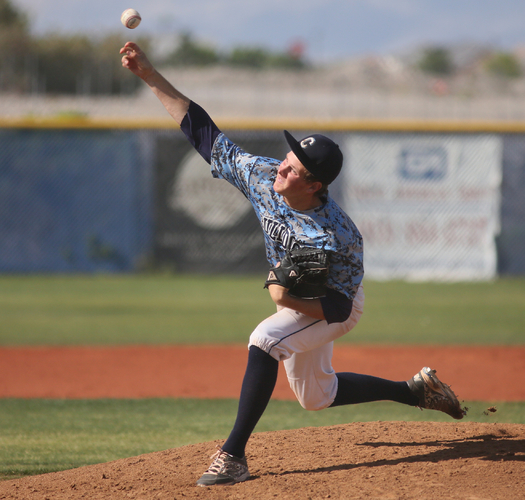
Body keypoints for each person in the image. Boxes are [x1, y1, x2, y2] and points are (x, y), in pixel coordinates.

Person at [119, 41, 466, 487]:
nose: (283, 167)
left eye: (295, 167)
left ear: (315, 184)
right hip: (300, 299)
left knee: (264, 339)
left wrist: (286, 297)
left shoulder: (335, 235)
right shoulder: (265, 177)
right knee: (316, 397)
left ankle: (233, 456)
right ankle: (415, 391)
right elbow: (203, 132)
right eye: (288, 156)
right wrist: (149, 74)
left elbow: (338, 311)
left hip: (334, 302)